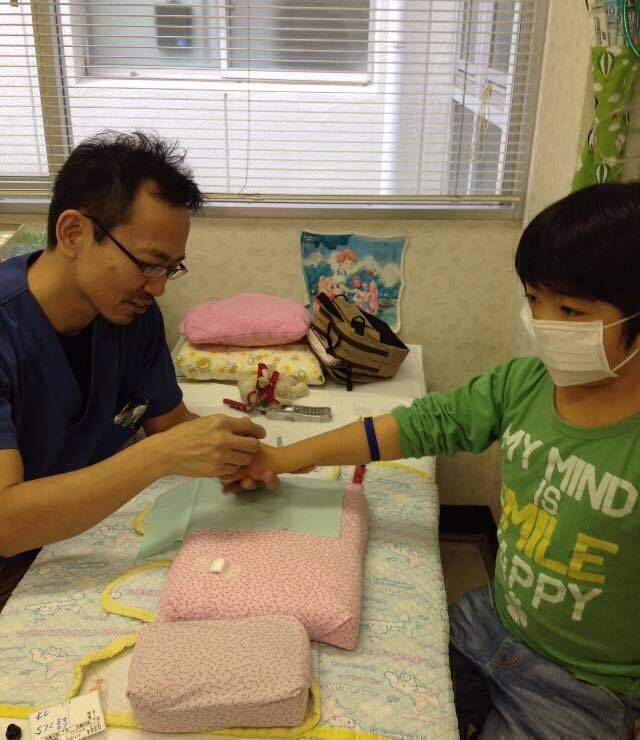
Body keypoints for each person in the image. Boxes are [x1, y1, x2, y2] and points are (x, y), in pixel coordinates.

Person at [224, 182, 640, 738]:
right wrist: (283, 457)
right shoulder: (524, 384)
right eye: (534, 300)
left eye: (569, 309)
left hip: (586, 684)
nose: (543, 324)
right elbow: (417, 425)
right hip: (492, 619)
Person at [0, 131, 272, 609]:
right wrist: (157, 456)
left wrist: (237, 453)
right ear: (73, 233)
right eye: (148, 264)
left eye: (171, 269)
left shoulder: (132, 316)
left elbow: (168, 423)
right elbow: (7, 525)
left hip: (75, 536)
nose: (159, 288)